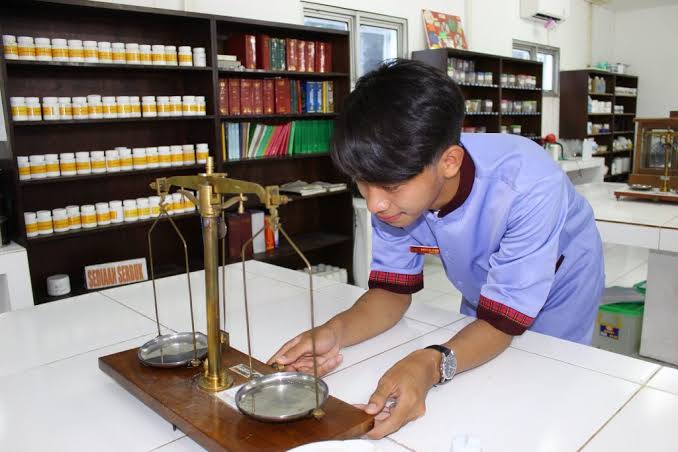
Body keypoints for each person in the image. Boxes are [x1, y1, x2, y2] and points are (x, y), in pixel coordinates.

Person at [268, 59, 604, 439]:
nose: (375, 204)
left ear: (449, 162)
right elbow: (391, 294)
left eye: (391, 187)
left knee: (539, 389)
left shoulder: (527, 183)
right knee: (473, 383)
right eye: (363, 183)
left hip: (561, 284)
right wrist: (334, 331)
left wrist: (428, 365)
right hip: (487, 287)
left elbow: (501, 321)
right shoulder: (397, 189)